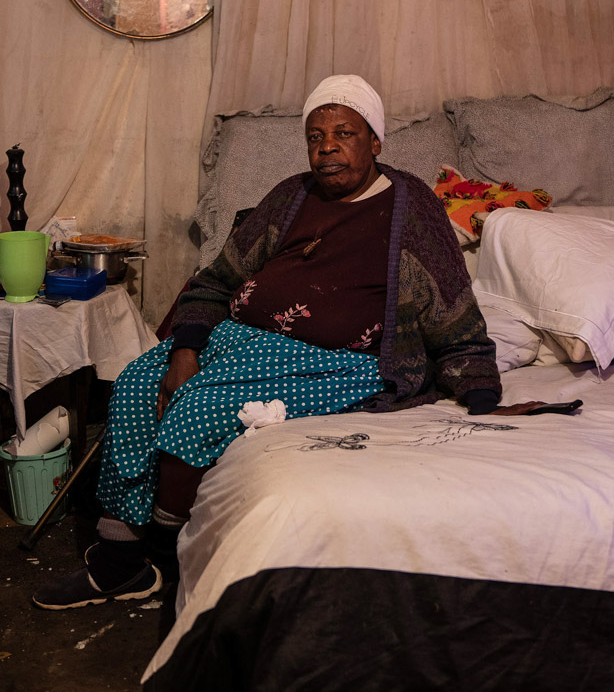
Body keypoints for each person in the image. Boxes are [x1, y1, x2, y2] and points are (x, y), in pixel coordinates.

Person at [33, 74, 539, 610]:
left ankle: (162, 549)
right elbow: (215, 281)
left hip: (338, 363)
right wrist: (185, 350)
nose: (327, 149)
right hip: (239, 338)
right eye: (316, 137)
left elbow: (452, 312)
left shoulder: (411, 206)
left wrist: (481, 394)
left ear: (375, 141)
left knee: (197, 410)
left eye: (344, 134)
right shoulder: (290, 197)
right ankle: (119, 561)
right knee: (137, 383)